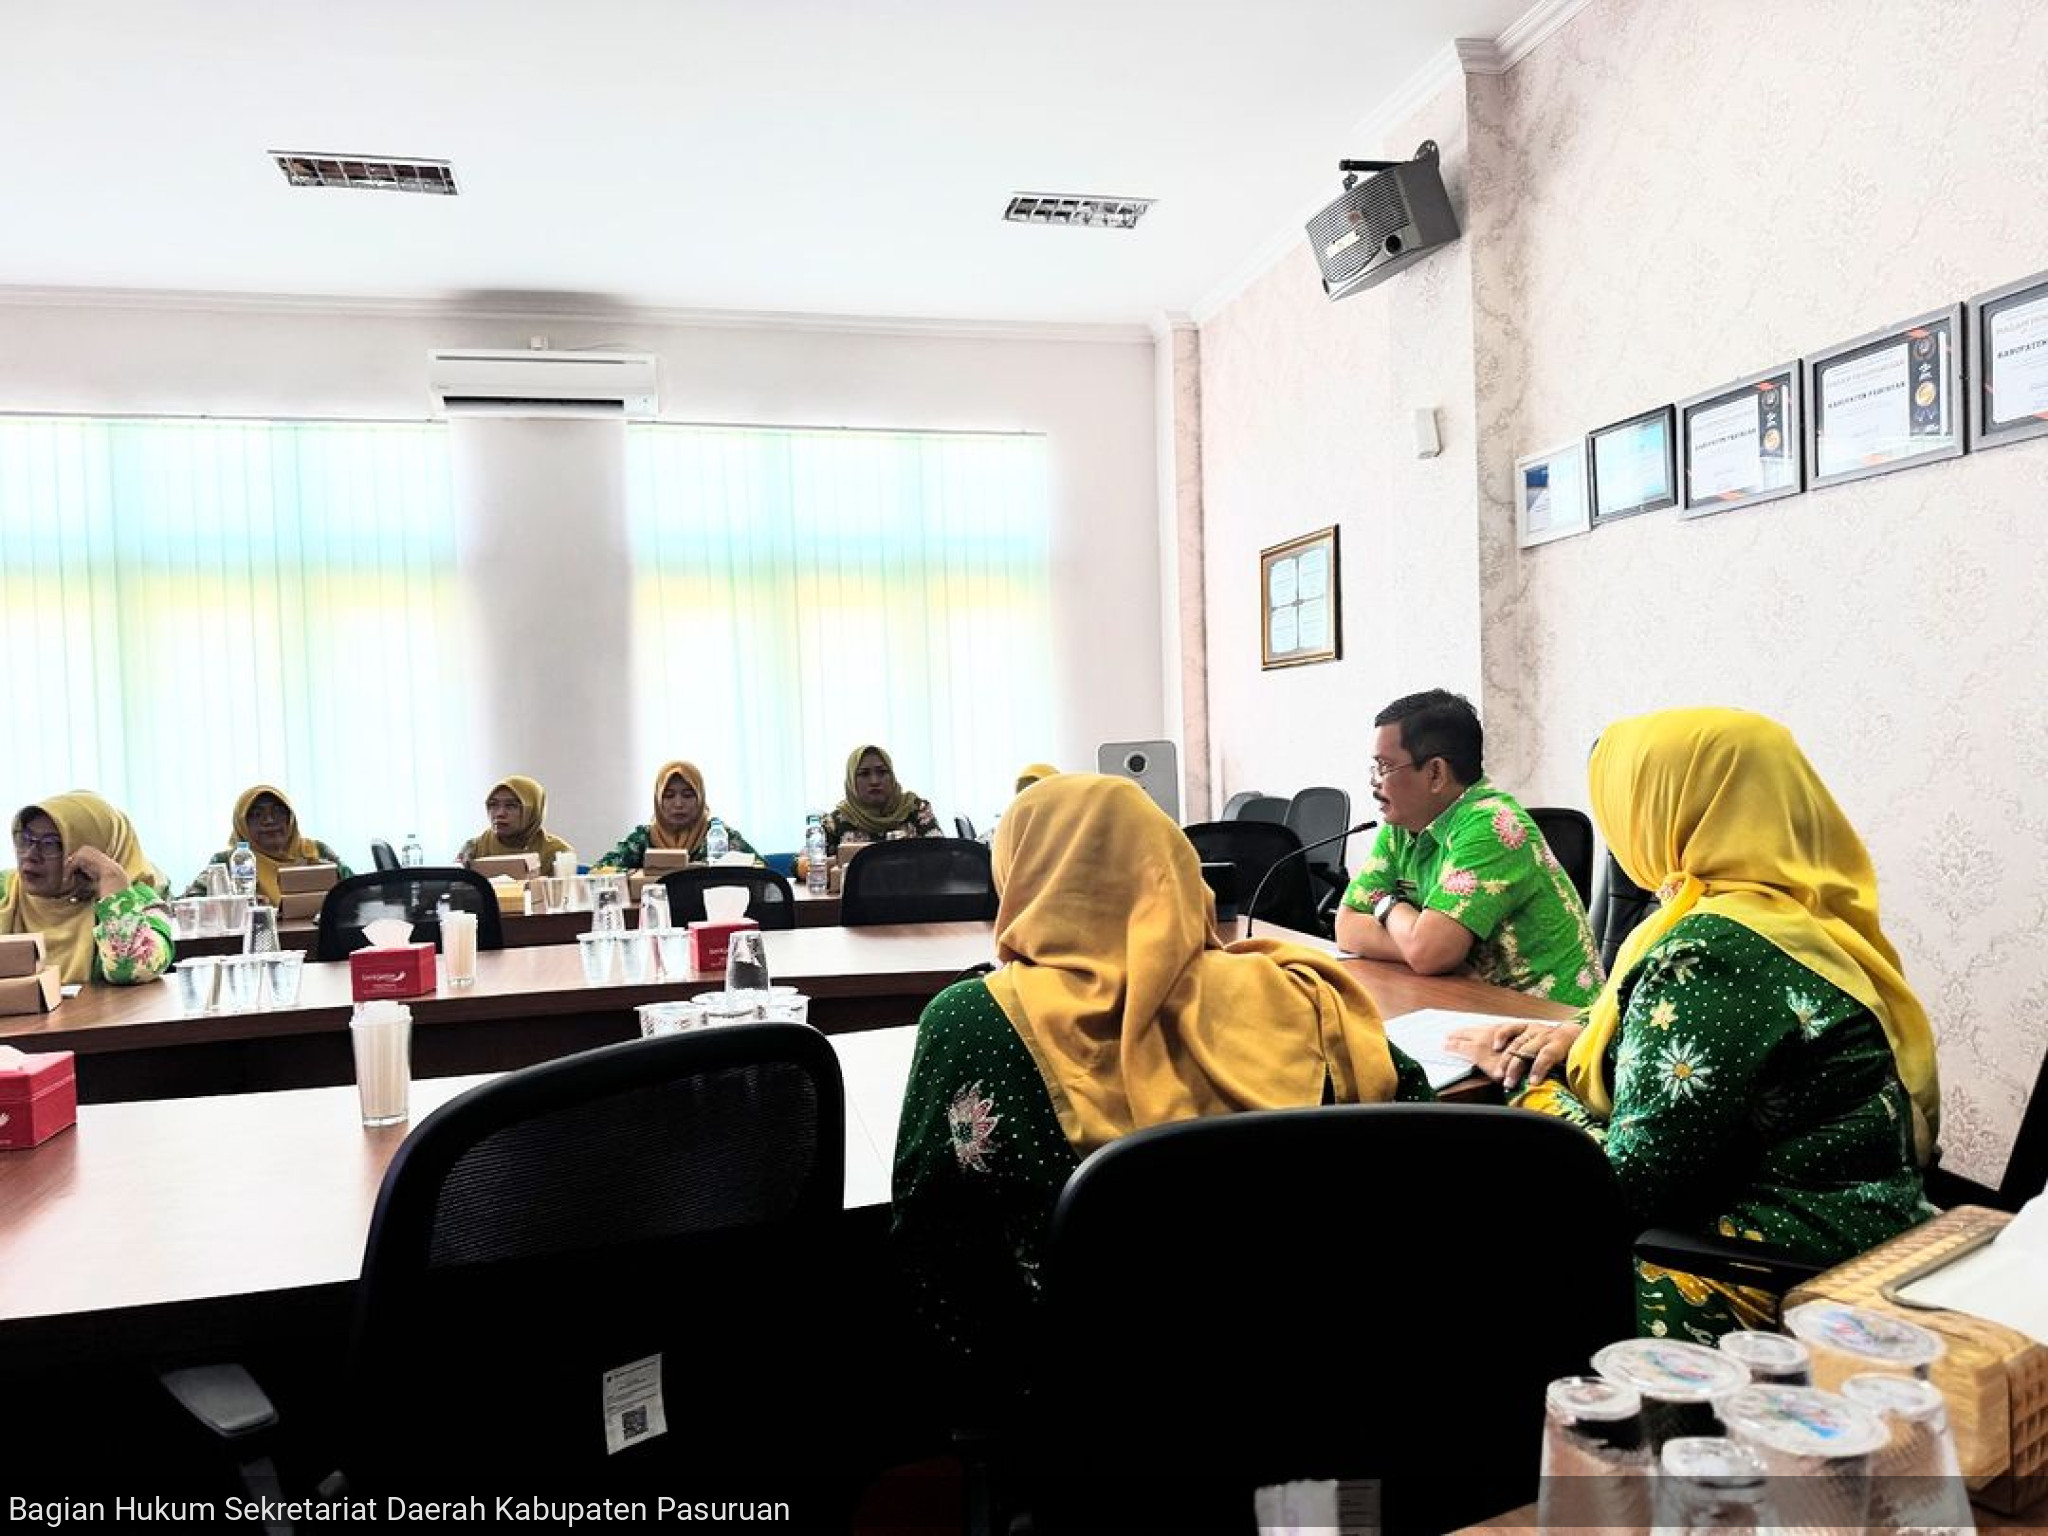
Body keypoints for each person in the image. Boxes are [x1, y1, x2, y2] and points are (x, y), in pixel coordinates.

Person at [891, 773, 1434, 1379]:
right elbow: (1417, 1126)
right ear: (1172, 862)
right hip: (1325, 1372)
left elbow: (932, 1231)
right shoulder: (1305, 994)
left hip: (1096, 1396)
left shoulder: (975, 1019)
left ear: (1018, 875)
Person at [1449, 708, 1939, 1341]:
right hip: (1876, 1227)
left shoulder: (1708, 954)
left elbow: (1622, 1189)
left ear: (1666, 807)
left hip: (1782, 1278)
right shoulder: (1801, 913)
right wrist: (1583, 1037)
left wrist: (1522, 1085)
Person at [1333, 688, 1602, 1005]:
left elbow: (1429, 953)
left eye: (1385, 767)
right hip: (1475, 1006)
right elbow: (1347, 926)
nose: (1375, 781)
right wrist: (1417, 943)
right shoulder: (1403, 826)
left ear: (1435, 773)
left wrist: (1389, 907)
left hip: (1552, 1024)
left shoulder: (1493, 826)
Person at [1, 792, 174, 986]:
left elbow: (132, 970)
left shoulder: (137, 903)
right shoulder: (5, 892)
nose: (30, 855)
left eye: (52, 844)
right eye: (25, 839)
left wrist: (111, 880)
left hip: (105, 1017)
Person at [183, 785, 353, 902]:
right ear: (242, 824)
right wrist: (237, 904)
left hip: (318, 939)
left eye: (278, 812)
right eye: (257, 814)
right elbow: (188, 902)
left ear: (290, 818)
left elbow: (359, 892)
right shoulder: (229, 860)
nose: (269, 821)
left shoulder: (316, 851)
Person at [594, 760, 761, 869]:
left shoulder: (717, 834)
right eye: (668, 796)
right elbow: (600, 870)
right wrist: (640, 874)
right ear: (658, 801)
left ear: (700, 798)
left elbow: (761, 868)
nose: (678, 804)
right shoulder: (644, 838)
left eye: (688, 795)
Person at [820, 745, 943, 854]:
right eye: (864, 774)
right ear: (852, 781)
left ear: (892, 776)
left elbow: (942, 855)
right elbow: (807, 865)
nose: (874, 781)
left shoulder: (915, 809)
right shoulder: (836, 822)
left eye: (882, 772)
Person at [455, 775, 574, 876]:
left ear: (533, 811)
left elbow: (567, 899)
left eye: (511, 806)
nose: (499, 813)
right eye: (493, 805)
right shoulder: (473, 849)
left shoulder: (558, 853)